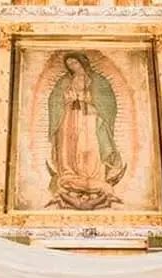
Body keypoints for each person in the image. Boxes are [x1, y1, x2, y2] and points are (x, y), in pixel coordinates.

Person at [46, 52, 126, 210]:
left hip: (91, 118)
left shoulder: (98, 80)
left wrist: (88, 99)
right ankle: (70, 175)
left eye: (75, 63)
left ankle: (94, 177)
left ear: (83, 62)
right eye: (69, 65)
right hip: (69, 117)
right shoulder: (64, 81)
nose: (72, 67)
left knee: (90, 145)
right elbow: (54, 100)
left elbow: (108, 102)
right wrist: (65, 100)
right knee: (69, 146)